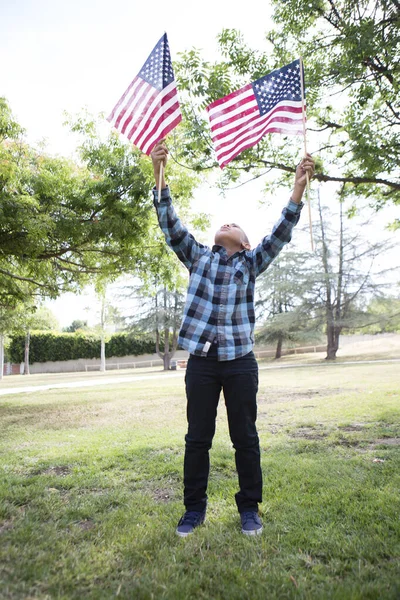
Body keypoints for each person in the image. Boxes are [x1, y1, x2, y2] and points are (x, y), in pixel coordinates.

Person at [151, 140, 315, 537]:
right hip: (203, 363)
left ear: (244, 242)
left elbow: (282, 231)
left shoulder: (252, 261)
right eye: (223, 223)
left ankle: (249, 509)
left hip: (241, 361)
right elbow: (170, 224)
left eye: (234, 225)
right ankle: (194, 510)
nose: (226, 222)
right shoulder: (199, 258)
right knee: (197, 438)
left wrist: (298, 187)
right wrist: (159, 173)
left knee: (245, 437)